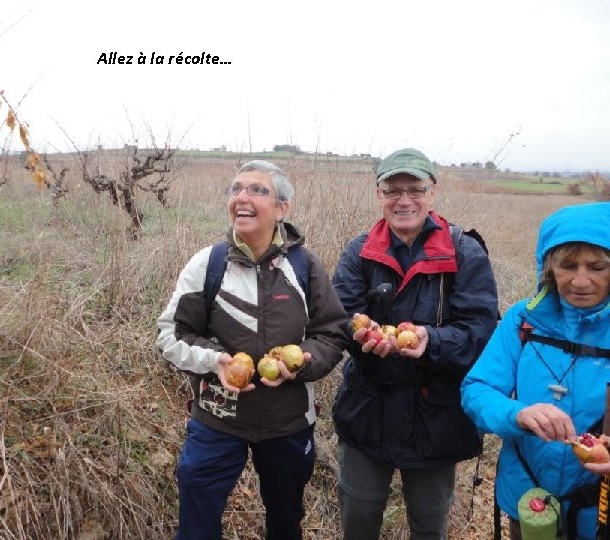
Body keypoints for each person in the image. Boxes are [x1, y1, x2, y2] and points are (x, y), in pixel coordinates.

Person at [156, 160, 347, 540]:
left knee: (285, 521)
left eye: (257, 190)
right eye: (236, 189)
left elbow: (332, 333)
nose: (242, 197)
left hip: (287, 422)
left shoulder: (304, 268)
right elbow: (170, 336)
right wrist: (215, 362)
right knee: (196, 524)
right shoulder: (208, 264)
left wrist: (304, 363)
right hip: (216, 419)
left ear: (281, 208)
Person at [331, 148, 499, 539]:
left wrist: (431, 341)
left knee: (429, 523)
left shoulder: (465, 251)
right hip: (367, 410)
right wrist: (361, 337)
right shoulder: (359, 252)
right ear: (379, 194)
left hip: (435, 416)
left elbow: (481, 332)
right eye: (393, 190)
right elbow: (341, 318)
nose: (404, 200)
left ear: (432, 192)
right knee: (358, 515)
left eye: (414, 189)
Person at [461, 202, 610, 540]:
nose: (581, 280)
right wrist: (517, 414)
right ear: (548, 268)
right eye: (568, 266)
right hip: (528, 497)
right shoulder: (523, 320)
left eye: (597, 267)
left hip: (600, 508)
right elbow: (477, 389)